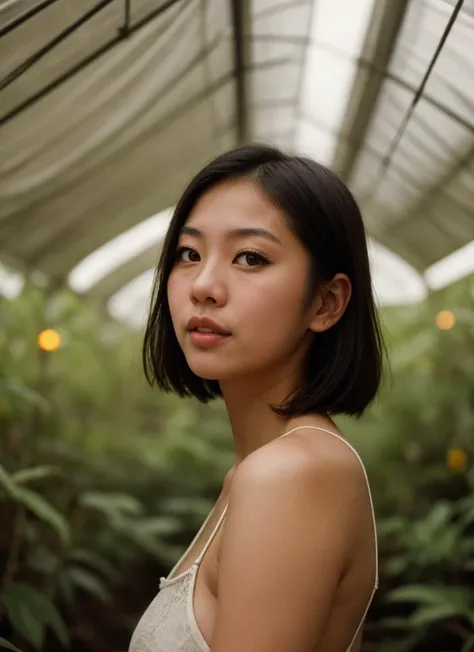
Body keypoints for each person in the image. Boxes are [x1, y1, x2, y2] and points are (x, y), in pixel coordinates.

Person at [129, 144, 383, 652]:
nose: (203, 285)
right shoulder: (260, 470)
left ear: (326, 302)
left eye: (250, 257)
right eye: (188, 253)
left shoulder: (290, 475)